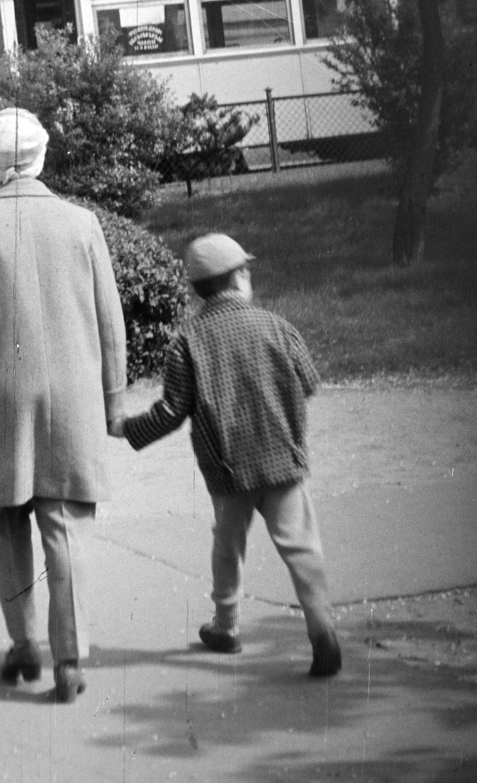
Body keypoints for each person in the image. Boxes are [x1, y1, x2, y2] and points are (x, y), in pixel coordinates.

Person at [0, 107, 127, 704]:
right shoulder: (82, 223)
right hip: (71, 397)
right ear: (40, 156)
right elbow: (110, 322)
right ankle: (70, 658)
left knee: (4, 522)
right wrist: (113, 401)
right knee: (65, 527)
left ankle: (24, 642)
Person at [114, 233, 342, 678]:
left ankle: (227, 626)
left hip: (229, 469)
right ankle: (323, 632)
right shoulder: (277, 326)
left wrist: (127, 428)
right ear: (238, 277)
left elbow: (171, 412)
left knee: (227, 547)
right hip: (283, 461)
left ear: (199, 288)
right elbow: (310, 382)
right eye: (246, 270)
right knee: (301, 548)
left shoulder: (188, 341)